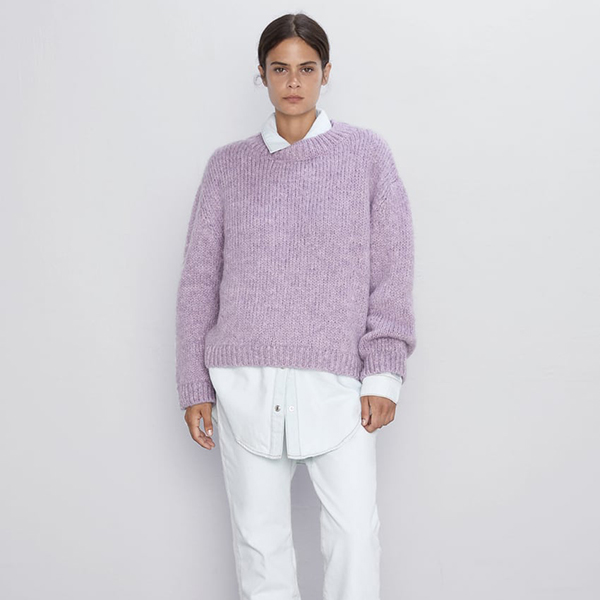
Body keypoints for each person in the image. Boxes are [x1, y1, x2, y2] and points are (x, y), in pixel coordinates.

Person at [175, 12, 416, 600]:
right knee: (260, 546)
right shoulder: (227, 166)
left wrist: (384, 372)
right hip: (243, 383)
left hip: (340, 383)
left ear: (326, 73)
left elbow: (392, 269)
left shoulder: (367, 156)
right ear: (261, 74)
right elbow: (199, 281)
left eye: (306, 69)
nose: (293, 82)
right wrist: (194, 384)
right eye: (280, 69)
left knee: (354, 538)